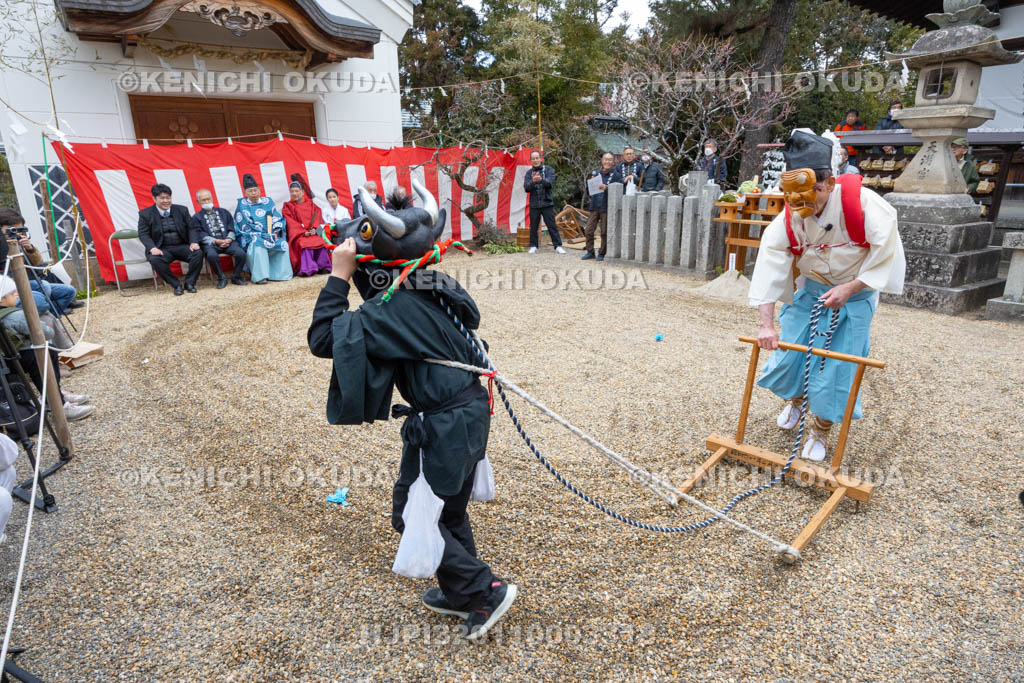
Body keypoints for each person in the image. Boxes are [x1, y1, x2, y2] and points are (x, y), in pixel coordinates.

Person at [307, 181, 516, 642]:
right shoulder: (431, 280)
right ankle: (461, 591)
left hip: (443, 423)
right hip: (468, 413)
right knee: (449, 511)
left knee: (411, 515)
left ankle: (485, 590)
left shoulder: (391, 308)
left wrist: (339, 274)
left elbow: (323, 339)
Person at [749, 129, 905, 462]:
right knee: (791, 355)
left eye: (811, 192)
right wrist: (766, 325)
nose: (800, 203)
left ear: (830, 183)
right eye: (791, 193)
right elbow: (769, 267)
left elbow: (886, 251)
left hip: (854, 294)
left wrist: (851, 288)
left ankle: (820, 429)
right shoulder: (790, 215)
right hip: (812, 291)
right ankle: (796, 401)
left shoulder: (863, 205)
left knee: (836, 367)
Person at [0, 275, 93, 421]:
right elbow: (46, 333)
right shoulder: (16, 316)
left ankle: (54, 395)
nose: (17, 294)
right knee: (46, 351)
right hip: (16, 360)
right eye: (12, 293)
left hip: (5, 361)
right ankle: (57, 403)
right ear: (1, 299)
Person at [0, 208, 81, 315]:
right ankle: (46, 309)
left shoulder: (18, 241)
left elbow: (37, 263)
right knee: (44, 288)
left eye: (20, 229)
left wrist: (29, 248)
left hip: (26, 281)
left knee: (69, 291)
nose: (16, 233)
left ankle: (52, 312)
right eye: (12, 229)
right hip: (10, 287)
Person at [138, 184, 203, 295]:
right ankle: (176, 285)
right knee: (154, 259)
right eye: (162, 198)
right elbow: (143, 234)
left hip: (181, 246)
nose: (166, 201)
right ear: (154, 198)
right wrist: (152, 248)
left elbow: (192, 228)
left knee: (198, 253)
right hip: (162, 248)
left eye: (168, 198)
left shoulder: (182, 210)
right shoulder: (145, 214)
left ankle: (190, 283)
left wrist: (194, 242)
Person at [234, 174, 291, 284]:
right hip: (254, 235)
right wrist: (263, 235)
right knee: (259, 244)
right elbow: (245, 224)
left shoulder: (267, 201)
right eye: (250, 191)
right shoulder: (242, 204)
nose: (254, 193)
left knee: (283, 243)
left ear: (259, 190)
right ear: (245, 193)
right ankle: (261, 276)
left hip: (270, 233)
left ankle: (280, 274)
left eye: (255, 190)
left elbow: (276, 217)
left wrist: (275, 232)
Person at [191, 189, 247, 288]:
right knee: (211, 255)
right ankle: (221, 278)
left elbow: (232, 226)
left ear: (212, 198)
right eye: (203, 200)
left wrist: (229, 239)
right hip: (211, 244)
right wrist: (215, 241)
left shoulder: (224, 212)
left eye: (208, 199)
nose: (207, 202)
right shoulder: (196, 217)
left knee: (241, 253)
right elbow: (199, 233)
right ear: (198, 202)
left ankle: (236, 276)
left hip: (228, 241)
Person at [283, 173, 332, 277]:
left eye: (296, 191)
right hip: (300, 234)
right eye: (292, 192)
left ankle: (323, 267)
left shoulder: (311, 204)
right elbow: (290, 222)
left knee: (320, 241)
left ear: (302, 192)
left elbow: (318, 216)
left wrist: (314, 229)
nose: (294, 193)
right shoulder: (288, 206)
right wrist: (303, 232)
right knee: (304, 243)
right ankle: (308, 269)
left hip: (312, 232)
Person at [522, 150, 565, 254]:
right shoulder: (528, 173)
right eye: (533, 158)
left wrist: (541, 180)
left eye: (537, 158)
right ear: (531, 160)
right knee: (533, 226)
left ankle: (558, 246)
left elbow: (550, 184)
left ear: (541, 158)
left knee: (551, 225)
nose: (535, 160)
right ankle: (533, 246)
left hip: (547, 203)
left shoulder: (549, 170)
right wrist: (533, 181)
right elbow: (526, 188)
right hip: (534, 203)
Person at [582, 152, 622, 261]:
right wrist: (589, 182)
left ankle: (602, 253)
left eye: (610, 160)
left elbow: (620, 191)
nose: (607, 162)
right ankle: (590, 251)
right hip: (595, 205)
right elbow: (589, 191)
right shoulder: (596, 173)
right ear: (602, 161)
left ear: (613, 162)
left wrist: (607, 188)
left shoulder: (617, 175)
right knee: (588, 230)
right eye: (605, 159)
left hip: (607, 206)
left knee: (604, 231)